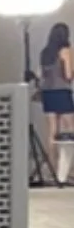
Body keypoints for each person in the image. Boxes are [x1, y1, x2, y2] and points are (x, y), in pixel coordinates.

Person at [38, 20, 74, 178]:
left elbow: (40, 75)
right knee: (70, 130)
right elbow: (68, 74)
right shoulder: (65, 50)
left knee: (52, 132)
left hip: (48, 93)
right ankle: (67, 170)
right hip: (62, 91)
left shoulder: (45, 52)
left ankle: (52, 168)